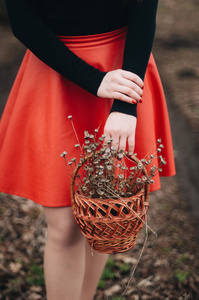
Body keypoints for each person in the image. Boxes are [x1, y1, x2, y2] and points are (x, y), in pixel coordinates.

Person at [0, 0, 175, 299]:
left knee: (104, 213)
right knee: (66, 225)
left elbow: (144, 9)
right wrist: (94, 81)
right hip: (55, 69)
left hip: (121, 66)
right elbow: (22, 20)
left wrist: (125, 104)